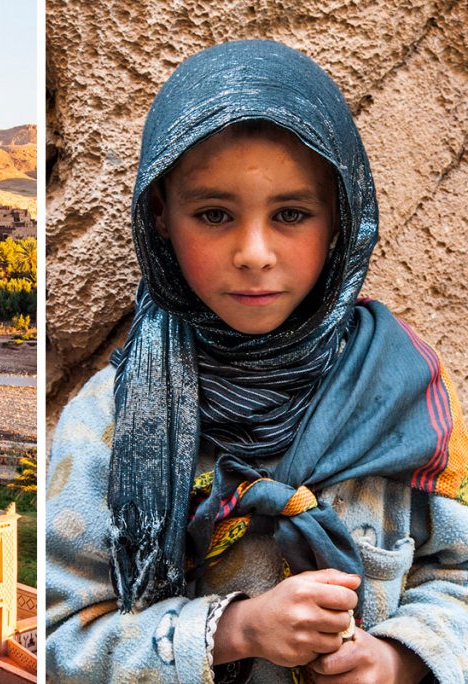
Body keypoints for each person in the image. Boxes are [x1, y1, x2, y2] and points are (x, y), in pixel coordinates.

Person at [46, 40, 468, 683]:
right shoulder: (110, 420)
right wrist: (233, 631)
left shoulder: (411, 397)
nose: (253, 253)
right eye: (214, 214)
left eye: (291, 214)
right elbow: (59, 641)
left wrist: (398, 659)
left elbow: (458, 576)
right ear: (160, 217)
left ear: (340, 218)